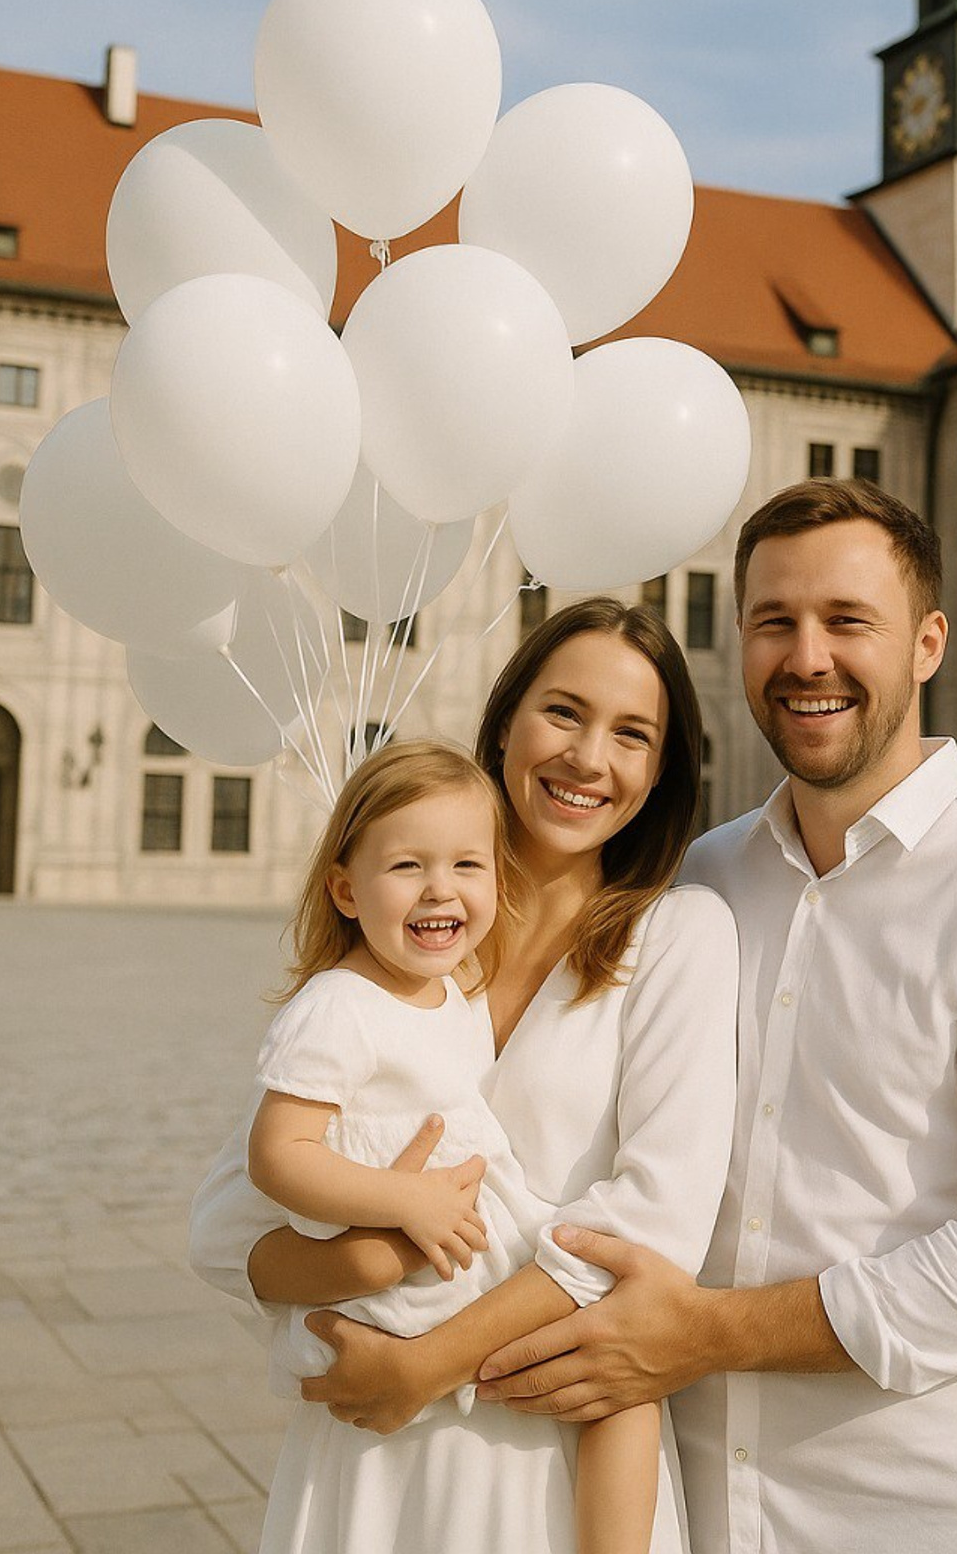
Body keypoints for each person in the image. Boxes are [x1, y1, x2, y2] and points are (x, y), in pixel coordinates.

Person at [460, 481, 957, 1554]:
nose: (806, 657)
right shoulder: (701, 878)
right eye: (773, 622)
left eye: (846, 620)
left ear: (927, 644)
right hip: (697, 1512)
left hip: (919, 1522)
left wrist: (710, 1335)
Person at [189, 597, 739, 1554]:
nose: (589, 758)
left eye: (632, 734)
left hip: (543, 1441)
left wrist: (430, 1364)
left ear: (661, 772)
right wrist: (371, 1263)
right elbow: (229, 1226)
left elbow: (654, 1226)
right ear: (505, 722)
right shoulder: (408, 952)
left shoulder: (679, 937)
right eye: (563, 712)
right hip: (370, 1446)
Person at [242, 737, 662, 1553]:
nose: (441, 888)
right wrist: (402, 1202)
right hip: (417, 1275)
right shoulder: (338, 1007)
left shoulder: (449, 991)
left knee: (626, 1378)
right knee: (617, 1377)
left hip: (457, 1245)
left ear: (498, 880)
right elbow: (277, 1153)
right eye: (408, 867)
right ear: (345, 889)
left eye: (467, 865)